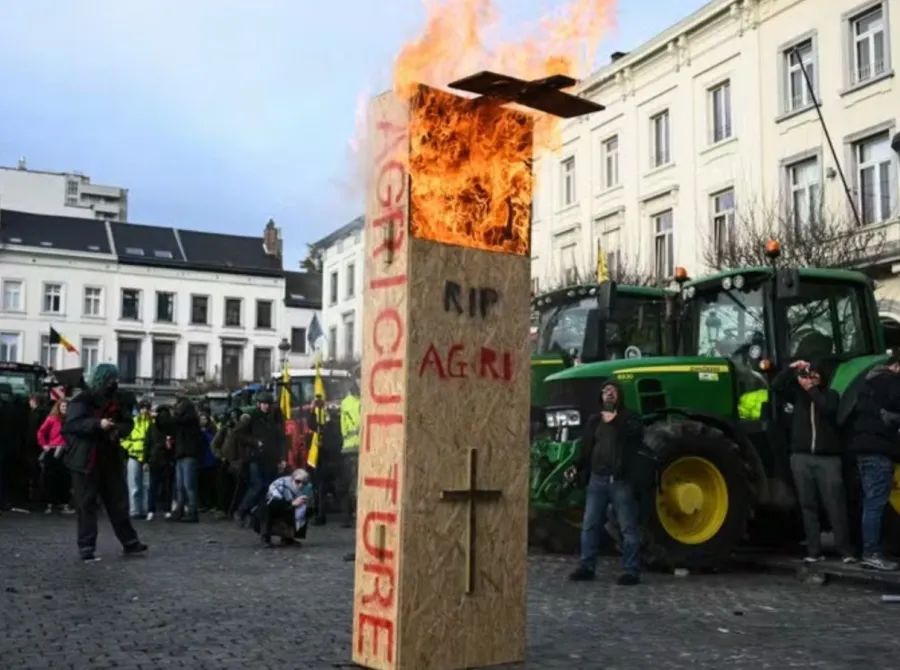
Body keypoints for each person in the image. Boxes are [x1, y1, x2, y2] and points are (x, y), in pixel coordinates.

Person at [61, 363, 147, 562]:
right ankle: (86, 546)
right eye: (111, 379)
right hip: (85, 459)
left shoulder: (117, 399)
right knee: (86, 504)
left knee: (118, 501)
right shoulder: (82, 399)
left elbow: (128, 423)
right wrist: (97, 424)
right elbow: (71, 425)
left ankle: (130, 542)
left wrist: (117, 428)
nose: (114, 383)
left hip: (108, 456)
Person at [773, 359, 855, 563]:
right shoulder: (798, 396)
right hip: (801, 457)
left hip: (828, 459)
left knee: (835, 505)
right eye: (810, 373)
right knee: (808, 506)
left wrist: (812, 391)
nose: (812, 377)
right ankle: (813, 551)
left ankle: (845, 550)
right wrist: (790, 369)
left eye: (816, 374)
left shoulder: (831, 395)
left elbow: (828, 409)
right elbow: (776, 387)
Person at [567, 381, 644, 585]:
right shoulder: (594, 421)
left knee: (628, 526)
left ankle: (631, 570)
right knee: (590, 525)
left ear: (619, 395)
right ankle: (586, 566)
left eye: (612, 391)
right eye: (605, 391)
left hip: (620, 481)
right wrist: (577, 467)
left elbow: (636, 435)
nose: (608, 394)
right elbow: (586, 449)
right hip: (597, 481)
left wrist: (616, 422)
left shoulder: (630, 417)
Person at [849, 355, 900, 571]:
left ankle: (872, 550)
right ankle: (872, 553)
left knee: (871, 502)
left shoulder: (867, 383)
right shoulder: (890, 383)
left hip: (863, 449)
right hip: (879, 450)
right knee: (876, 503)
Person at [233, 392, 286, 526]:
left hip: (270, 458)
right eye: (264, 404)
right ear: (259, 404)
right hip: (255, 457)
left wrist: (282, 458)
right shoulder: (251, 417)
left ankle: (257, 516)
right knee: (257, 486)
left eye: (268, 404)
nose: (266, 407)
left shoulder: (274, 419)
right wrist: (255, 442)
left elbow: (280, 440)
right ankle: (241, 511)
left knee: (266, 489)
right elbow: (238, 433)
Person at [160, 397, 203, 522]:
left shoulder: (190, 420)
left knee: (188, 485)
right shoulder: (185, 421)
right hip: (181, 454)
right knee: (180, 486)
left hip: (188, 454)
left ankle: (192, 511)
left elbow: (176, 421)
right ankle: (180, 510)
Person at [256, 468, 312, 547]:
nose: (300, 485)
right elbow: (273, 502)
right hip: (269, 511)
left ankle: (288, 537)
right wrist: (292, 503)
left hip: (285, 509)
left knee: (304, 509)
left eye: (304, 483)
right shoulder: (280, 484)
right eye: (298, 482)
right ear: (292, 480)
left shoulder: (307, 488)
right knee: (267, 507)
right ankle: (265, 537)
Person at [36, 398, 74, 514]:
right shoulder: (52, 419)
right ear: (58, 407)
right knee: (51, 478)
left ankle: (64, 504)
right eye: (62, 407)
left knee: (65, 479)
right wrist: (44, 445)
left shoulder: (71, 420)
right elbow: (41, 432)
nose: (64, 409)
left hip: (66, 451)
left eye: (66, 407)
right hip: (53, 450)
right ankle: (50, 504)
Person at [121, 400, 152, 519]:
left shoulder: (152, 423)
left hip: (146, 459)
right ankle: (134, 510)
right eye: (143, 408)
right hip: (133, 456)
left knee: (146, 486)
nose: (145, 410)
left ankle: (144, 510)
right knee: (134, 485)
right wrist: (131, 447)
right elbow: (124, 439)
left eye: (147, 408)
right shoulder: (133, 422)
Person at [144, 406, 174, 521]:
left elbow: (147, 444)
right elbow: (147, 443)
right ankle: (153, 509)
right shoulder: (153, 427)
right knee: (154, 486)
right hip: (157, 460)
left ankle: (162, 509)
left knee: (162, 486)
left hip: (163, 459)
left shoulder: (167, 428)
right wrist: (146, 460)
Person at [340, 378, 361, 528]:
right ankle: (353, 515)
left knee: (351, 484)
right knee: (355, 485)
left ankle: (349, 516)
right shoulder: (361, 401)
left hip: (349, 448)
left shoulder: (345, 402)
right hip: (356, 447)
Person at [198, 413, 219, 512]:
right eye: (201, 419)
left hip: (210, 460)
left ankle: (210, 504)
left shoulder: (211, 431)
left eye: (204, 419)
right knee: (202, 484)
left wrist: (204, 433)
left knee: (210, 484)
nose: (202, 421)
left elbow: (213, 441)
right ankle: (203, 503)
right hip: (201, 460)